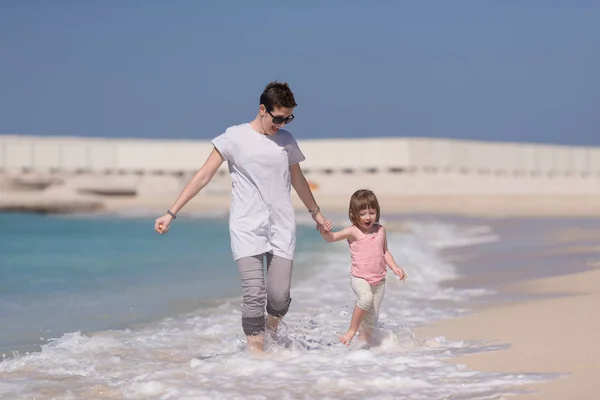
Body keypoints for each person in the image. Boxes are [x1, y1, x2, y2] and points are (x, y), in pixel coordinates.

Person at [154, 81, 331, 354]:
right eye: (278, 118)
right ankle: (256, 357)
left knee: (279, 298)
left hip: (282, 226)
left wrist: (316, 214)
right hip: (246, 226)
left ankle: (270, 331)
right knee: (254, 294)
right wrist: (171, 212)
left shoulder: (286, 141)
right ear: (263, 109)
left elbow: (298, 179)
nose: (282, 124)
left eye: (288, 118)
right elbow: (203, 176)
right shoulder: (233, 137)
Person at [319, 189, 406, 346]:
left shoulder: (380, 230)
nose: (368, 217)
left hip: (379, 282)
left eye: (372, 212)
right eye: (363, 213)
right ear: (354, 214)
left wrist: (395, 268)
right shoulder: (353, 231)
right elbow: (331, 238)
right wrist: (322, 229)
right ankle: (351, 331)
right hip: (359, 278)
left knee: (371, 319)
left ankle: (362, 347)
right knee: (365, 299)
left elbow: (384, 251)